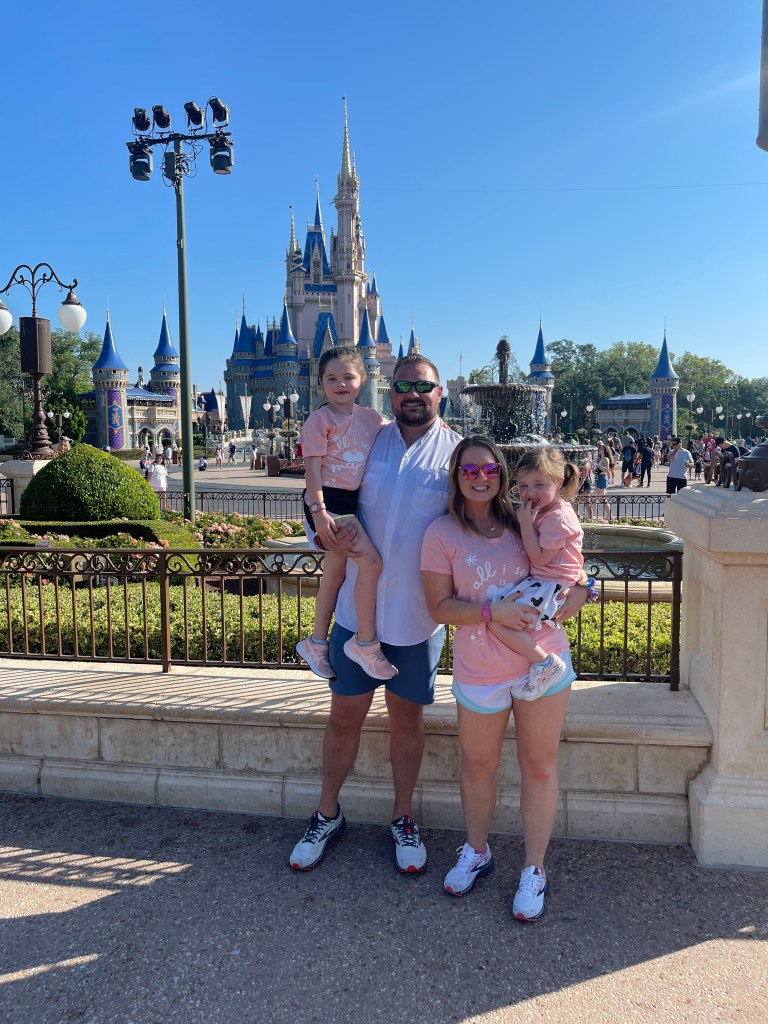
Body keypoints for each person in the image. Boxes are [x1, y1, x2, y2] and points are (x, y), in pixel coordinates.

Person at [288, 353, 462, 875]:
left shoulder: (457, 454)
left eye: (424, 387)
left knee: (406, 721)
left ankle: (403, 818)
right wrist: (320, 527)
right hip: (354, 614)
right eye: (404, 386)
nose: (413, 395)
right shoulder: (369, 436)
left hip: (416, 617)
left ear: (439, 394)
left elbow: (479, 518)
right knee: (344, 718)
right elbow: (326, 485)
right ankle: (326, 814)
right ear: (390, 392)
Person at [421, 436, 591, 919]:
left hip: (544, 660)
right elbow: (439, 607)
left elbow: (570, 571)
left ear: (500, 474)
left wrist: (586, 589)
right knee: (478, 766)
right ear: (456, 477)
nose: (480, 478)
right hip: (481, 669)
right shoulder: (441, 533)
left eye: (488, 469)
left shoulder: (526, 519)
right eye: (468, 470)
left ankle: (534, 869)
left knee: (539, 766)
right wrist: (491, 612)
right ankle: (477, 851)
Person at [296, 346, 394, 681]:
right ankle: (365, 642)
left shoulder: (370, 418)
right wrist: (319, 513)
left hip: (349, 502)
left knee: (334, 574)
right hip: (328, 501)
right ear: (320, 382)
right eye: (331, 378)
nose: (340, 384)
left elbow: (396, 430)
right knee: (372, 564)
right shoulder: (319, 421)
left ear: (362, 380)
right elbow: (312, 471)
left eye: (347, 377)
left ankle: (316, 642)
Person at [478, 445, 584, 696]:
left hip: (550, 585)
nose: (530, 493)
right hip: (547, 583)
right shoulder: (546, 510)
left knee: (497, 621)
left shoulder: (557, 518)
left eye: (539, 485)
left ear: (559, 482)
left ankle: (545, 663)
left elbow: (540, 558)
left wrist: (525, 525)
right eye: (524, 486)